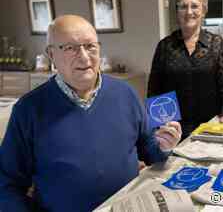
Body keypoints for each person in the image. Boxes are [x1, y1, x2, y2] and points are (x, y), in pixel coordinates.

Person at [0, 15, 182, 212]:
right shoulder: (28, 109)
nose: (85, 57)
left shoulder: (126, 93)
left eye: (90, 46)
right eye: (70, 48)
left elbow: (150, 150)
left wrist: (164, 146)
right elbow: (7, 185)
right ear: (51, 55)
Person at [148, 0, 223, 139]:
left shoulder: (216, 43)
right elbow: (154, 89)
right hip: (174, 129)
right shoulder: (164, 46)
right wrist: (160, 126)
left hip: (211, 126)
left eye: (194, 6)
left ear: (203, 10)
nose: (189, 12)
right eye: (183, 6)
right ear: (176, 11)